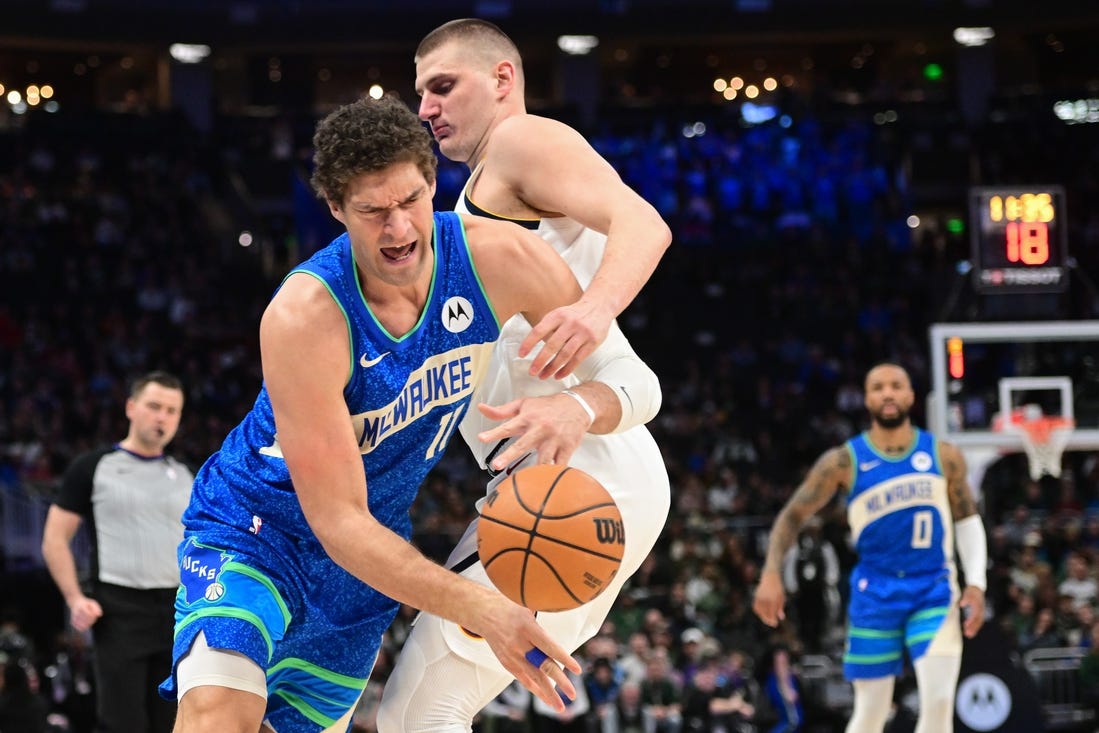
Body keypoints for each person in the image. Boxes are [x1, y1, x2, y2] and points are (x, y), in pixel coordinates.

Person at [154, 93, 642, 733]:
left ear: (434, 183)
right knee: (218, 717)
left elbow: (630, 378)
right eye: (372, 211)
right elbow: (335, 520)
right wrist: (483, 609)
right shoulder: (305, 316)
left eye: (410, 201)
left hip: (368, 564)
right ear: (335, 210)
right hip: (255, 531)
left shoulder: (501, 260)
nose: (399, 229)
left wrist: (579, 406)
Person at [376, 18, 673, 732]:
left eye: (443, 86)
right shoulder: (472, 198)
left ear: (502, 79)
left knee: (418, 714)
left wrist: (594, 310)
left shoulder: (521, 141)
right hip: (562, 478)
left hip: (582, 474)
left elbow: (643, 221)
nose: (426, 108)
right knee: (423, 711)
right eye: (421, 92)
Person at [753, 363, 988, 733]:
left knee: (940, 702)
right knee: (870, 712)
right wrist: (770, 572)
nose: (888, 393)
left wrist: (976, 582)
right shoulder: (843, 461)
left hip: (934, 588)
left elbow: (967, 521)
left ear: (911, 396)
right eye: (878, 387)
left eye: (897, 386)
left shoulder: (944, 455)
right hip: (874, 592)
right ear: (866, 399)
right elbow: (791, 516)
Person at [41, 370, 192, 733]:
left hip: (178, 611)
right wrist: (75, 598)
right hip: (118, 610)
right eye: (154, 406)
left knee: (173, 722)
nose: (162, 417)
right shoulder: (93, 468)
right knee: (122, 722)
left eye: (172, 410)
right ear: (130, 407)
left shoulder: (187, 474)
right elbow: (54, 539)